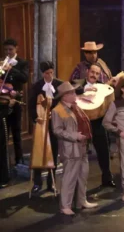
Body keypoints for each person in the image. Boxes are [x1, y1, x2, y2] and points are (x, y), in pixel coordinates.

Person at [51, 82, 99, 216]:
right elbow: (57, 130)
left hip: (82, 146)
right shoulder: (58, 110)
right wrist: (74, 136)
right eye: (71, 93)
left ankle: (81, 201)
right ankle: (65, 206)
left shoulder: (76, 107)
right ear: (64, 96)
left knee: (83, 175)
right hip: (71, 149)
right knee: (69, 178)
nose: (74, 94)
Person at [73, 64, 115, 187]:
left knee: (103, 150)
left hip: (98, 122)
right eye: (92, 72)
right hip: (80, 123)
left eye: (97, 73)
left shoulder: (102, 87)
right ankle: (77, 183)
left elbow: (108, 103)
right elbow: (70, 92)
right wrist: (85, 90)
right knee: (80, 153)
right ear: (87, 71)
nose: (94, 75)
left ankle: (107, 178)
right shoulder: (77, 83)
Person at [28, 61, 62, 193]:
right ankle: (37, 182)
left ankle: (51, 182)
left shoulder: (59, 84)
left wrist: (55, 114)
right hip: (41, 124)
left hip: (54, 123)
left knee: (53, 151)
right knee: (39, 151)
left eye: (51, 73)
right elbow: (31, 104)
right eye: (47, 73)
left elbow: (62, 103)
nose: (50, 75)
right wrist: (35, 117)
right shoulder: (37, 86)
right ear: (43, 73)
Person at [2, 38, 29, 165]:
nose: (8, 52)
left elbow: (24, 78)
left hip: (16, 100)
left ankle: (19, 161)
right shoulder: (2, 61)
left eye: (10, 49)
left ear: (16, 48)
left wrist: (11, 69)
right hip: (3, 101)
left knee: (16, 132)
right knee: (4, 133)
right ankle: (4, 162)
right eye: (6, 50)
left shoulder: (22, 62)